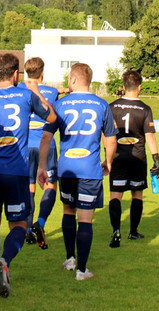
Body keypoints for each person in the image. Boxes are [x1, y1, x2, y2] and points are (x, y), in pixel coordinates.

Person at [0, 53, 54, 297]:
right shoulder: (25, 95)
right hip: (17, 171)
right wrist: (36, 90)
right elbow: (51, 117)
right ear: (15, 74)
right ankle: (5, 260)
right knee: (19, 224)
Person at [38, 63, 117, 281]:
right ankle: (82, 270)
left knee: (68, 212)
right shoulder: (101, 104)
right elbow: (110, 139)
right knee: (85, 219)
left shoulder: (60, 105)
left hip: (67, 169)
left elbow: (46, 137)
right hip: (90, 169)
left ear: (72, 79)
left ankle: (70, 259)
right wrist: (107, 161)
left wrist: (42, 166)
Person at [107, 69, 159, 245]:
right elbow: (150, 136)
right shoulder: (145, 109)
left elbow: (106, 135)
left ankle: (116, 231)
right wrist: (156, 158)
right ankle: (133, 232)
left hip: (117, 156)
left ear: (123, 86)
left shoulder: (112, 107)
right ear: (140, 87)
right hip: (137, 157)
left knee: (116, 195)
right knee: (137, 194)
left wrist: (108, 156)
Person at [21, 57, 59, 249]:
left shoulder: (20, 88)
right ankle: (41, 223)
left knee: (30, 188)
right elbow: (53, 115)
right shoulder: (52, 92)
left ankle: (27, 229)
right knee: (50, 186)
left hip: (25, 145)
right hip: (46, 145)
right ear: (42, 72)